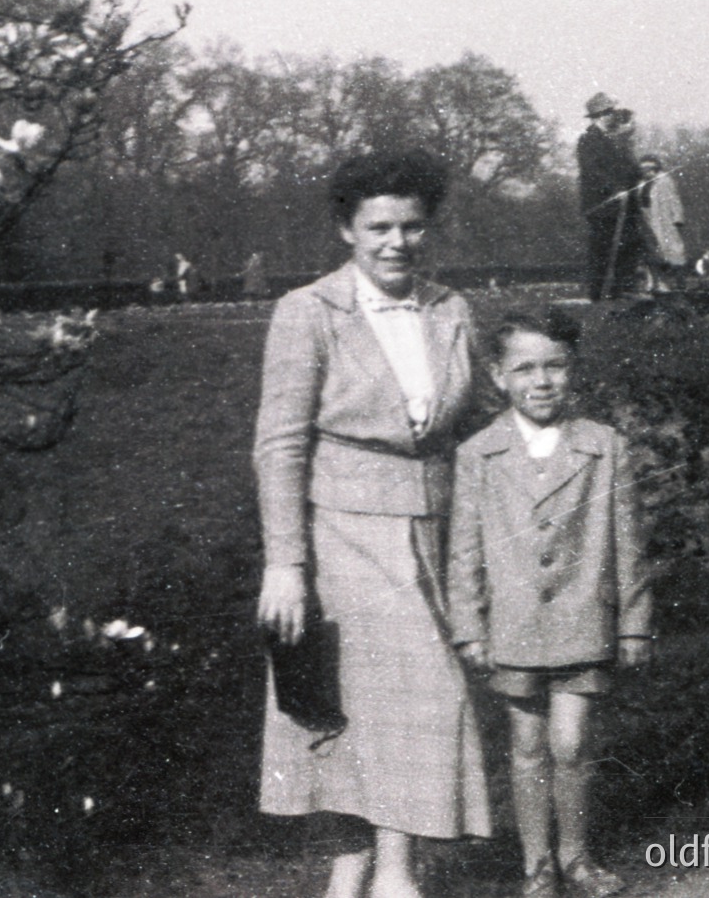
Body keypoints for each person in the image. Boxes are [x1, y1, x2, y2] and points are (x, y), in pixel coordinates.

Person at [255, 150, 491, 898]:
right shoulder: (307, 311)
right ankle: (392, 876)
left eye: (412, 226)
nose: (397, 242)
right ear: (346, 230)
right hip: (343, 533)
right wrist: (285, 563)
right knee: (409, 694)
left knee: (385, 703)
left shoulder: (451, 309)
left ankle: (352, 870)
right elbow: (280, 442)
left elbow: (479, 421)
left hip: (434, 525)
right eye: (379, 226)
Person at [448, 310, 652, 898]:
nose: (541, 381)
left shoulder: (603, 446)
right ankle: (536, 864)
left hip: (583, 620)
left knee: (571, 743)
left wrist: (634, 624)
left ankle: (577, 857)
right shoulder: (479, 454)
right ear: (498, 376)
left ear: (573, 368)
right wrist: (469, 627)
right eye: (525, 369)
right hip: (513, 626)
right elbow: (464, 550)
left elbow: (628, 541)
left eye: (555, 365)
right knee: (528, 745)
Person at [577, 94, 646, 301]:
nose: (612, 116)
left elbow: (631, 169)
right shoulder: (588, 140)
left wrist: (637, 178)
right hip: (602, 206)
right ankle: (597, 293)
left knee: (629, 245)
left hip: (626, 205)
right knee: (602, 248)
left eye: (612, 112)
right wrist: (613, 188)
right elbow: (591, 171)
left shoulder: (618, 140)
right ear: (596, 117)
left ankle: (620, 290)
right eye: (607, 113)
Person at [639, 155, 686, 291]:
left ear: (655, 168)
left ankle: (680, 283)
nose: (647, 172)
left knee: (674, 252)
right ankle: (654, 282)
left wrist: (678, 218)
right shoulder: (641, 184)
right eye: (644, 169)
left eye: (650, 169)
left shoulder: (665, 181)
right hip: (648, 220)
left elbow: (674, 200)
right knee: (651, 252)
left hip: (665, 221)